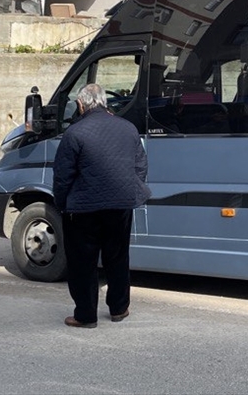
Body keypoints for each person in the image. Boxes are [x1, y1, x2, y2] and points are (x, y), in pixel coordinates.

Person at [53, 83, 150, 328]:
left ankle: (86, 315)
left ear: (81, 104)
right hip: (120, 205)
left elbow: (63, 175)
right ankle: (119, 308)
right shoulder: (128, 128)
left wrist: (62, 203)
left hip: (83, 208)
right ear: (105, 102)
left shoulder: (75, 132)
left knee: (83, 262)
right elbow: (140, 166)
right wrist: (131, 190)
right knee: (117, 257)